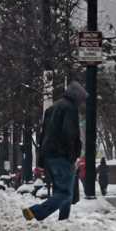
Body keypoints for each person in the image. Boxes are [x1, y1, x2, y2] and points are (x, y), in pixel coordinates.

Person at [24, 81, 85, 222]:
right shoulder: (69, 108)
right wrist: (73, 153)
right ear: (76, 97)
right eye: (81, 99)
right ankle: (34, 212)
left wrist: (41, 158)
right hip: (62, 155)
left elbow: (43, 134)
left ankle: (64, 220)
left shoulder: (51, 109)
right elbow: (70, 133)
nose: (81, 103)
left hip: (49, 155)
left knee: (64, 191)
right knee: (65, 193)